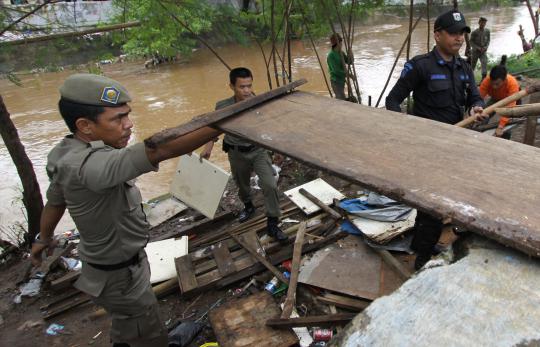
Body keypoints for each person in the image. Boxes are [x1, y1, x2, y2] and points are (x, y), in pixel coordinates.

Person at [30, 74, 221, 347]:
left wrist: (43, 238)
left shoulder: (64, 152)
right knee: (147, 331)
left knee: (130, 322)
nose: (128, 125)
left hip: (111, 269)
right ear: (85, 126)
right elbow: (159, 150)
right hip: (121, 276)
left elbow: (55, 202)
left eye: (127, 115)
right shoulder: (92, 166)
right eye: (117, 119)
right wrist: (222, 125)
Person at [385, 10, 485, 270]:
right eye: (453, 33)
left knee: (455, 195)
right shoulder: (420, 66)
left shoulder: (464, 66)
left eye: (462, 33)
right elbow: (392, 101)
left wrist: (476, 108)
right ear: (437, 34)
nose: (460, 38)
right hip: (427, 149)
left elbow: (475, 97)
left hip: (457, 144)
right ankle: (422, 258)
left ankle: (433, 242)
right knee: (432, 204)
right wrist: (408, 130)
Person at [200, 67, 287, 243]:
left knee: (270, 185)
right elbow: (214, 129)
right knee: (242, 185)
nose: (247, 91)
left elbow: (271, 128)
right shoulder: (222, 106)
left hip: (258, 151)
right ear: (231, 86)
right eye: (242, 87)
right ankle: (248, 207)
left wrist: (277, 149)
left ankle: (272, 224)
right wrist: (208, 148)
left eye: (249, 86)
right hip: (235, 151)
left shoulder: (258, 102)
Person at [479, 55, 520, 138]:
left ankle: (506, 138)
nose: (494, 87)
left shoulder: (512, 83)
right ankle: (480, 131)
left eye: (497, 84)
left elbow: (510, 107)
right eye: (492, 83)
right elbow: (479, 98)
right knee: (484, 115)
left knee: (509, 122)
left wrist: (501, 126)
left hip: (511, 99)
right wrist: (476, 110)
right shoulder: (486, 81)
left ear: (504, 80)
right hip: (495, 98)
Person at [327, 33, 352, 100]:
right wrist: (349, 75)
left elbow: (350, 62)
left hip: (342, 80)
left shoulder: (341, 53)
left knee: (340, 98)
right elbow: (336, 71)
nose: (342, 44)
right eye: (341, 42)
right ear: (338, 43)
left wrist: (350, 53)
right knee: (341, 99)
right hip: (336, 81)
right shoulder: (331, 56)